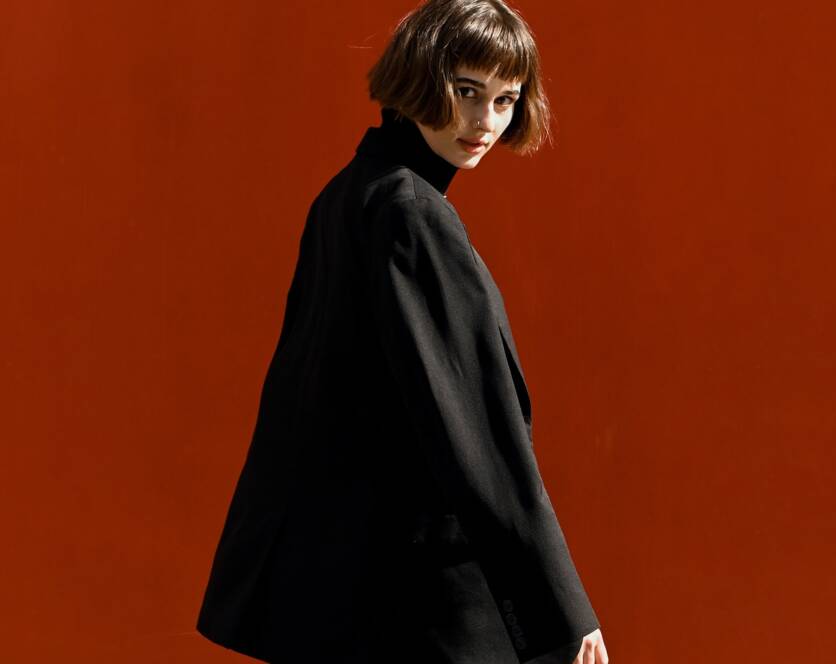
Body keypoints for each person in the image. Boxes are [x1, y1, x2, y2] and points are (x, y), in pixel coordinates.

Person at [196, 1, 609, 663]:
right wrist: (561, 611)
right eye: (467, 92)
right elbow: (478, 430)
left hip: (343, 594)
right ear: (420, 77)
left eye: (505, 100)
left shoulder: (349, 194)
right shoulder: (410, 214)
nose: (485, 122)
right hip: (416, 603)